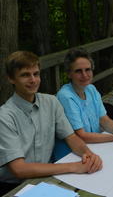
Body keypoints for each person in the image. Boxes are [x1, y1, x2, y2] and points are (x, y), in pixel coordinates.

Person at [0, 51, 102, 196]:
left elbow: (71, 137)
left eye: (36, 74)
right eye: (25, 75)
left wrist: (89, 155)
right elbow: (19, 169)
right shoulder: (4, 116)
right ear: (11, 78)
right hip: (13, 187)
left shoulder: (51, 102)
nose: (33, 80)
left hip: (47, 177)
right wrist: (74, 166)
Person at [53, 48, 113, 161]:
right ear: (69, 74)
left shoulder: (91, 89)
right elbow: (82, 135)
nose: (84, 75)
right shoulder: (65, 96)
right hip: (72, 154)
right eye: (78, 71)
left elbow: (103, 119)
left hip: (93, 146)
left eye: (88, 69)